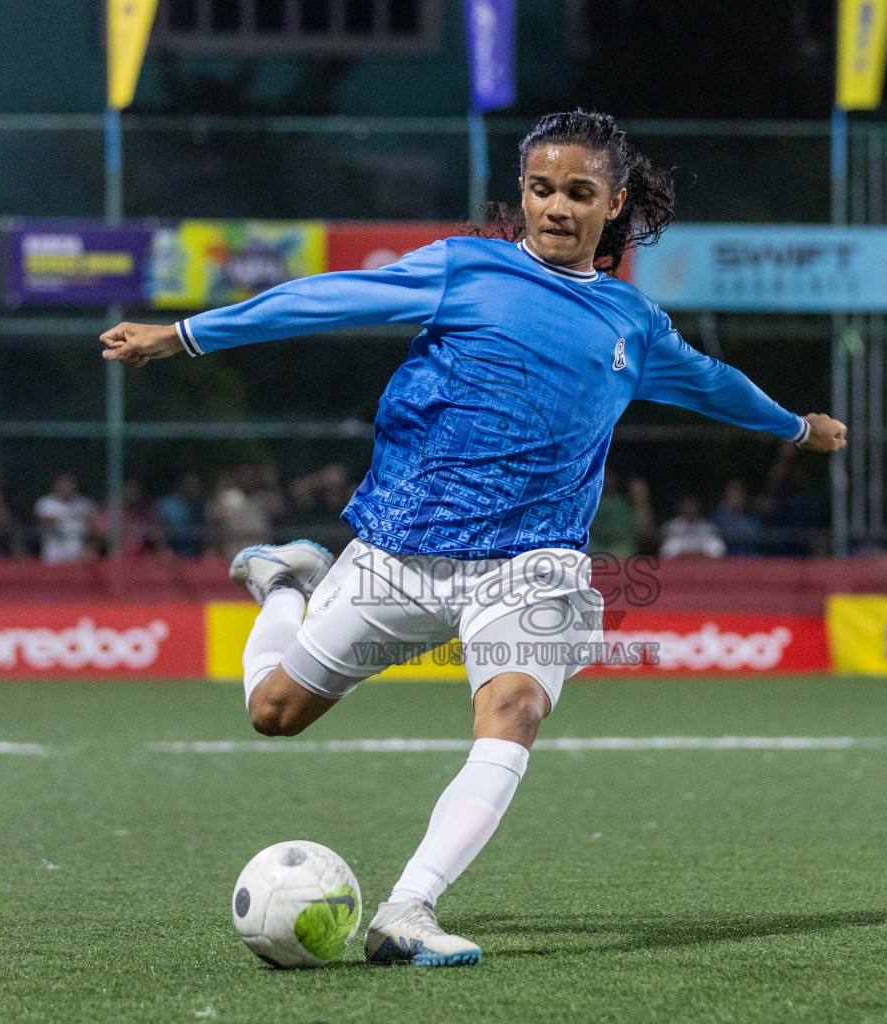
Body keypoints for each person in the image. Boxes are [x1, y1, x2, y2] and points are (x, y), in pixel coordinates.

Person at [99, 110, 846, 966]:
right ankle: (282, 585)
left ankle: (407, 910)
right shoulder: (466, 269)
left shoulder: (632, 325)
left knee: (514, 710)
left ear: (616, 204)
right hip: (401, 552)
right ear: (520, 193)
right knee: (274, 714)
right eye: (539, 189)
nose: (556, 208)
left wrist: (795, 428)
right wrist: (187, 334)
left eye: (579, 192)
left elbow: (715, 386)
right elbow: (326, 297)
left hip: (535, 563)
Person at [34, 472, 97, 564]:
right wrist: (70, 518)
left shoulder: (85, 504)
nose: (66, 487)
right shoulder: (46, 503)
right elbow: (45, 524)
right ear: (56, 485)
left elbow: (95, 529)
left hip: (79, 555)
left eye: (69, 483)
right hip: (54, 555)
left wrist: (91, 548)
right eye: (63, 483)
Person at [157, 471, 206, 557]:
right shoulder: (165, 505)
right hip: (171, 554)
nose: (194, 487)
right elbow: (158, 531)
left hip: (194, 555)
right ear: (181, 484)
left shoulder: (198, 508)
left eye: (196, 484)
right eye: (190, 483)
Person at [660, 495, 726, 559]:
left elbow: (717, 548)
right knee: (670, 545)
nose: (690, 509)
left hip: (702, 555)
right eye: (687, 506)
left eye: (693, 506)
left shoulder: (707, 526)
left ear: (698, 508)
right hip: (680, 554)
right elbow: (667, 549)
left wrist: (697, 555)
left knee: (715, 545)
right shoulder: (672, 525)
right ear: (681, 507)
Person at [710, 479, 760, 557]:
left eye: (738, 495)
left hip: (748, 561)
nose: (735, 499)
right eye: (731, 496)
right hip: (724, 562)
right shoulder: (718, 517)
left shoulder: (752, 520)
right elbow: (715, 538)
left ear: (744, 498)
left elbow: (754, 538)